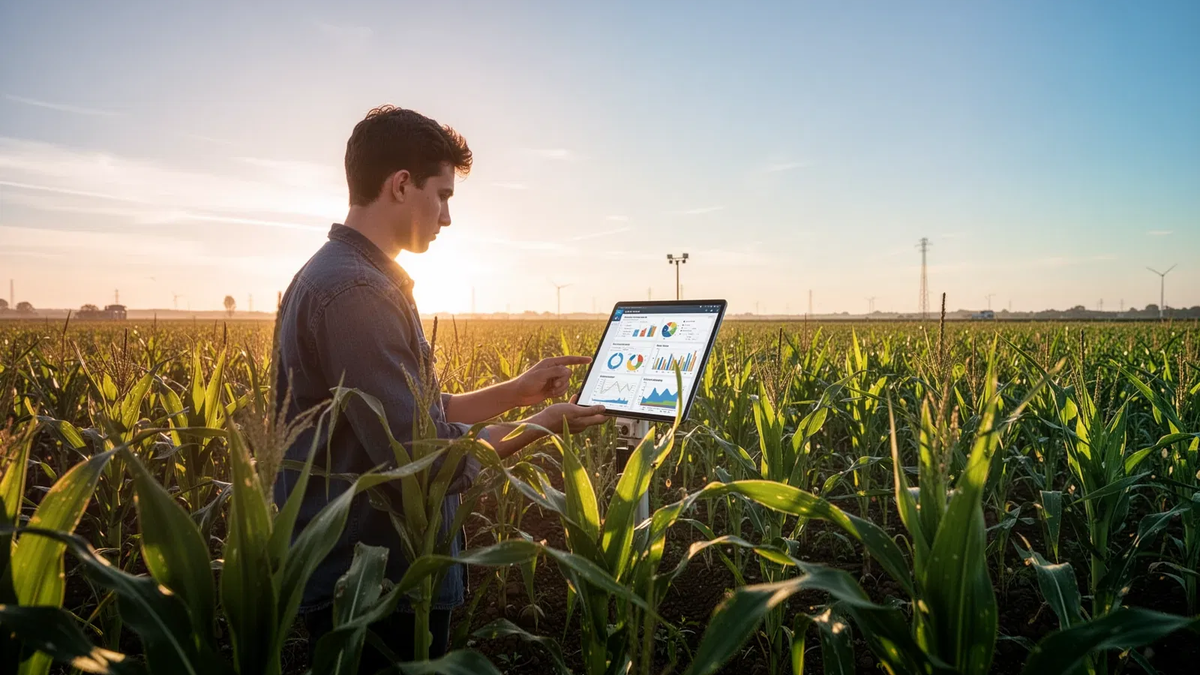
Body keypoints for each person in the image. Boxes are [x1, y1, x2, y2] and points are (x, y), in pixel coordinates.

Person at [272, 105, 608, 670]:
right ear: (401, 185)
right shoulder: (358, 293)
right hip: (376, 584)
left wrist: (516, 391)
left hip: (368, 575)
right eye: (443, 195)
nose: (447, 216)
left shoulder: (340, 275)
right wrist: (542, 425)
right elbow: (422, 458)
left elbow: (411, 415)